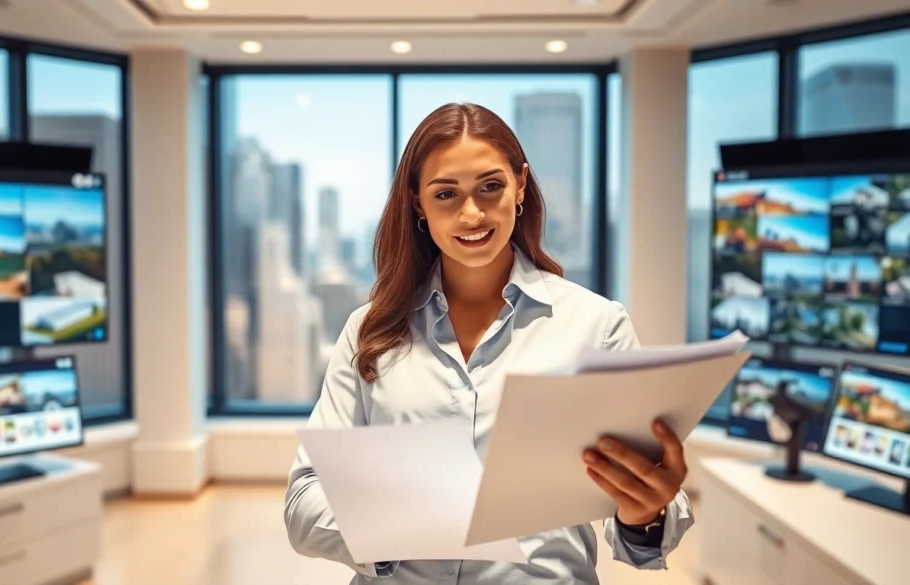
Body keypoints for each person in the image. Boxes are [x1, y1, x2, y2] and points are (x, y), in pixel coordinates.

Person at [284, 102, 694, 584]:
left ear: (520, 184)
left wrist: (645, 511)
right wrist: (412, 522)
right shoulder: (368, 332)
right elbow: (304, 502)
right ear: (418, 202)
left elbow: (643, 507)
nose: (472, 213)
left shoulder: (596, 327)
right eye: (446, 194)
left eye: (490, 187)